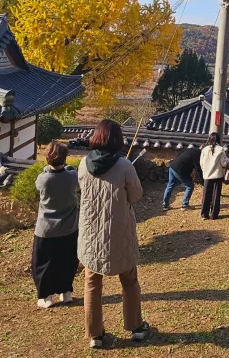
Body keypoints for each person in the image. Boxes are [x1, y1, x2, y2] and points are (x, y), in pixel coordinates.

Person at [77, 120, 150, 349]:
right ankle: (136, 327)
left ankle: (95, 335)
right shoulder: (125, 165)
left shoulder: (82, 164)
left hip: (91, 235)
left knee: (91, 284)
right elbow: (136, 194)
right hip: (119, 234)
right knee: (129, 281)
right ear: (118, 140)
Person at [31, 142, 80, 308]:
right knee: (67, 260)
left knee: (43, 263)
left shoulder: (43, 179)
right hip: (68, 227)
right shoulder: (72, 176)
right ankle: (66, 293)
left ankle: (45, 296)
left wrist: (47, 169)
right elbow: (72, 173)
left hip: (46, 229)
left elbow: (39, 184)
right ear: (65, 158)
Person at [199, 133, 229, 220]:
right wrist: (227, 160)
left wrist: (205, 171)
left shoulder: (204, 149)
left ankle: (204, 214)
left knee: (206, 195)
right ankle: (213, 215)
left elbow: (201, 163)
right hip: (217, 175)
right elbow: (223, 164)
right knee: (215, 196)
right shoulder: (221, 149)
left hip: (207, 175)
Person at [162, 144, 200, 211]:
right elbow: (198, 168)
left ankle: (165, 205)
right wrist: (202, 180)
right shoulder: (197, 155)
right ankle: (185, 205)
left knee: (170, 185)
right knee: (190, 186)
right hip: (179, 170)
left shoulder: (190, 150)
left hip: (172, 166)